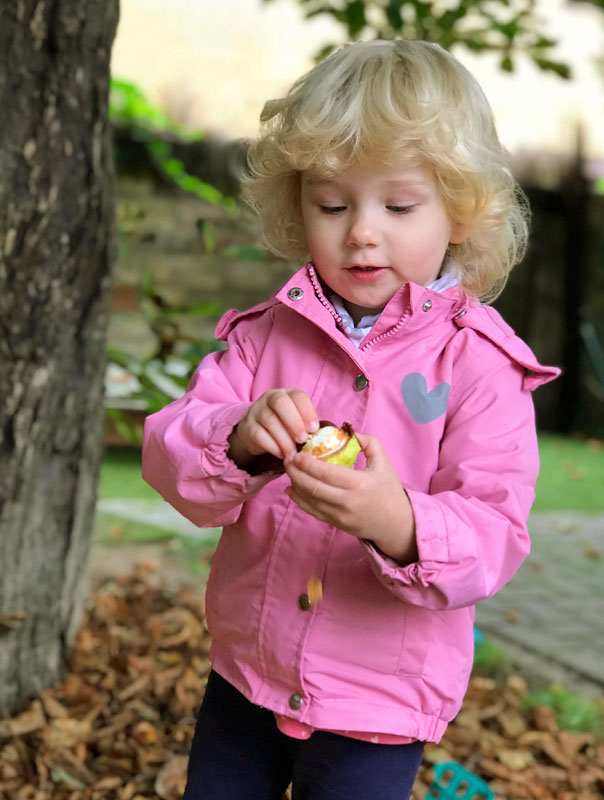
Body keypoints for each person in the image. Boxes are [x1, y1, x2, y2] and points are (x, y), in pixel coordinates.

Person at [142, 39, 560, 800]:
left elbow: (494, 533)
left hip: (380, 702)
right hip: (246, 674)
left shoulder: (480, 365)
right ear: (299, 206)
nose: (362, 231)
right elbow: (168, 452)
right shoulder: (266, 336)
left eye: (399, 206)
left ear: (460, 211)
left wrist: (396, 520)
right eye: (333, 205)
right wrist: (235, 435)